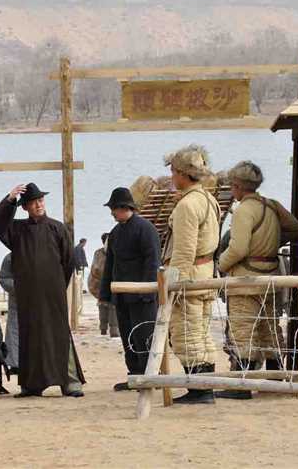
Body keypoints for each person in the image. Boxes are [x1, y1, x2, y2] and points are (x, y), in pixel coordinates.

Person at [0, 182, 85, 398]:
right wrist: (10, 199)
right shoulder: (17, 230)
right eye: (33, 202)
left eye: (40, 200)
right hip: (27, 294)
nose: (38, 205)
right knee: (30, 336)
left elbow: (68, 261)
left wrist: (57, 284)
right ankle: (32, 385)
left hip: (53, 293)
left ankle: (69, 382)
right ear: (25, 207)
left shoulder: (57, 228)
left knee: (59, 334)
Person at [216, 161, 298, 400]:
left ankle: (241, 386)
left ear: (237, 186)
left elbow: (238, 248)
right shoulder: (271, 205)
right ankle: (274, 379)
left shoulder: (244, 210)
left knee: (242, 330)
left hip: (245, 279)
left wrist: (220, 265)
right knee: (269, 329)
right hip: (271, 275)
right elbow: (295, 228)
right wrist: (271, 244)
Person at [162, 145, 221, 404]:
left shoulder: (188, 205)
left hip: (191, 276)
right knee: (201, 332)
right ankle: (204, 386)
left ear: (183, 174)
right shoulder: (208, 198)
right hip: (205, 273)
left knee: (186, 332)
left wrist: (174, 283)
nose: (172, 177)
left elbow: (184, 250)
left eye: (174, 172)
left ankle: (200, 389)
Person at [100, 188, 161, 391]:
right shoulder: (115, 233)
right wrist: (105, 294)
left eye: (113, 209)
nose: (112, 213)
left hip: (143, 296)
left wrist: (147, 291)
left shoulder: (146, 229)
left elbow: (153, 262)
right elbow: (110, 265)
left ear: (123, 207)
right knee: (128, 337)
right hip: (122, 296)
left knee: (145, 336)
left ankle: (151, 376)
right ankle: (135, 375)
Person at [88, 233, 119, 338]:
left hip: (109, 282)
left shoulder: (111, 252)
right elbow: (96, 268)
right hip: (101, 283)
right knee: (104, 305)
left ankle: (112, 329)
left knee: (111, 305)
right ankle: (104, 328)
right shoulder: (99, 253)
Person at [0, 253, 19, 372]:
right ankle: (15, 364)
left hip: (38, 303)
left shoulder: (40, 254)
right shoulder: (10, 258)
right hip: (17, 302)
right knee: (15, 332)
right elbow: (3, 278)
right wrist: (18, 285)